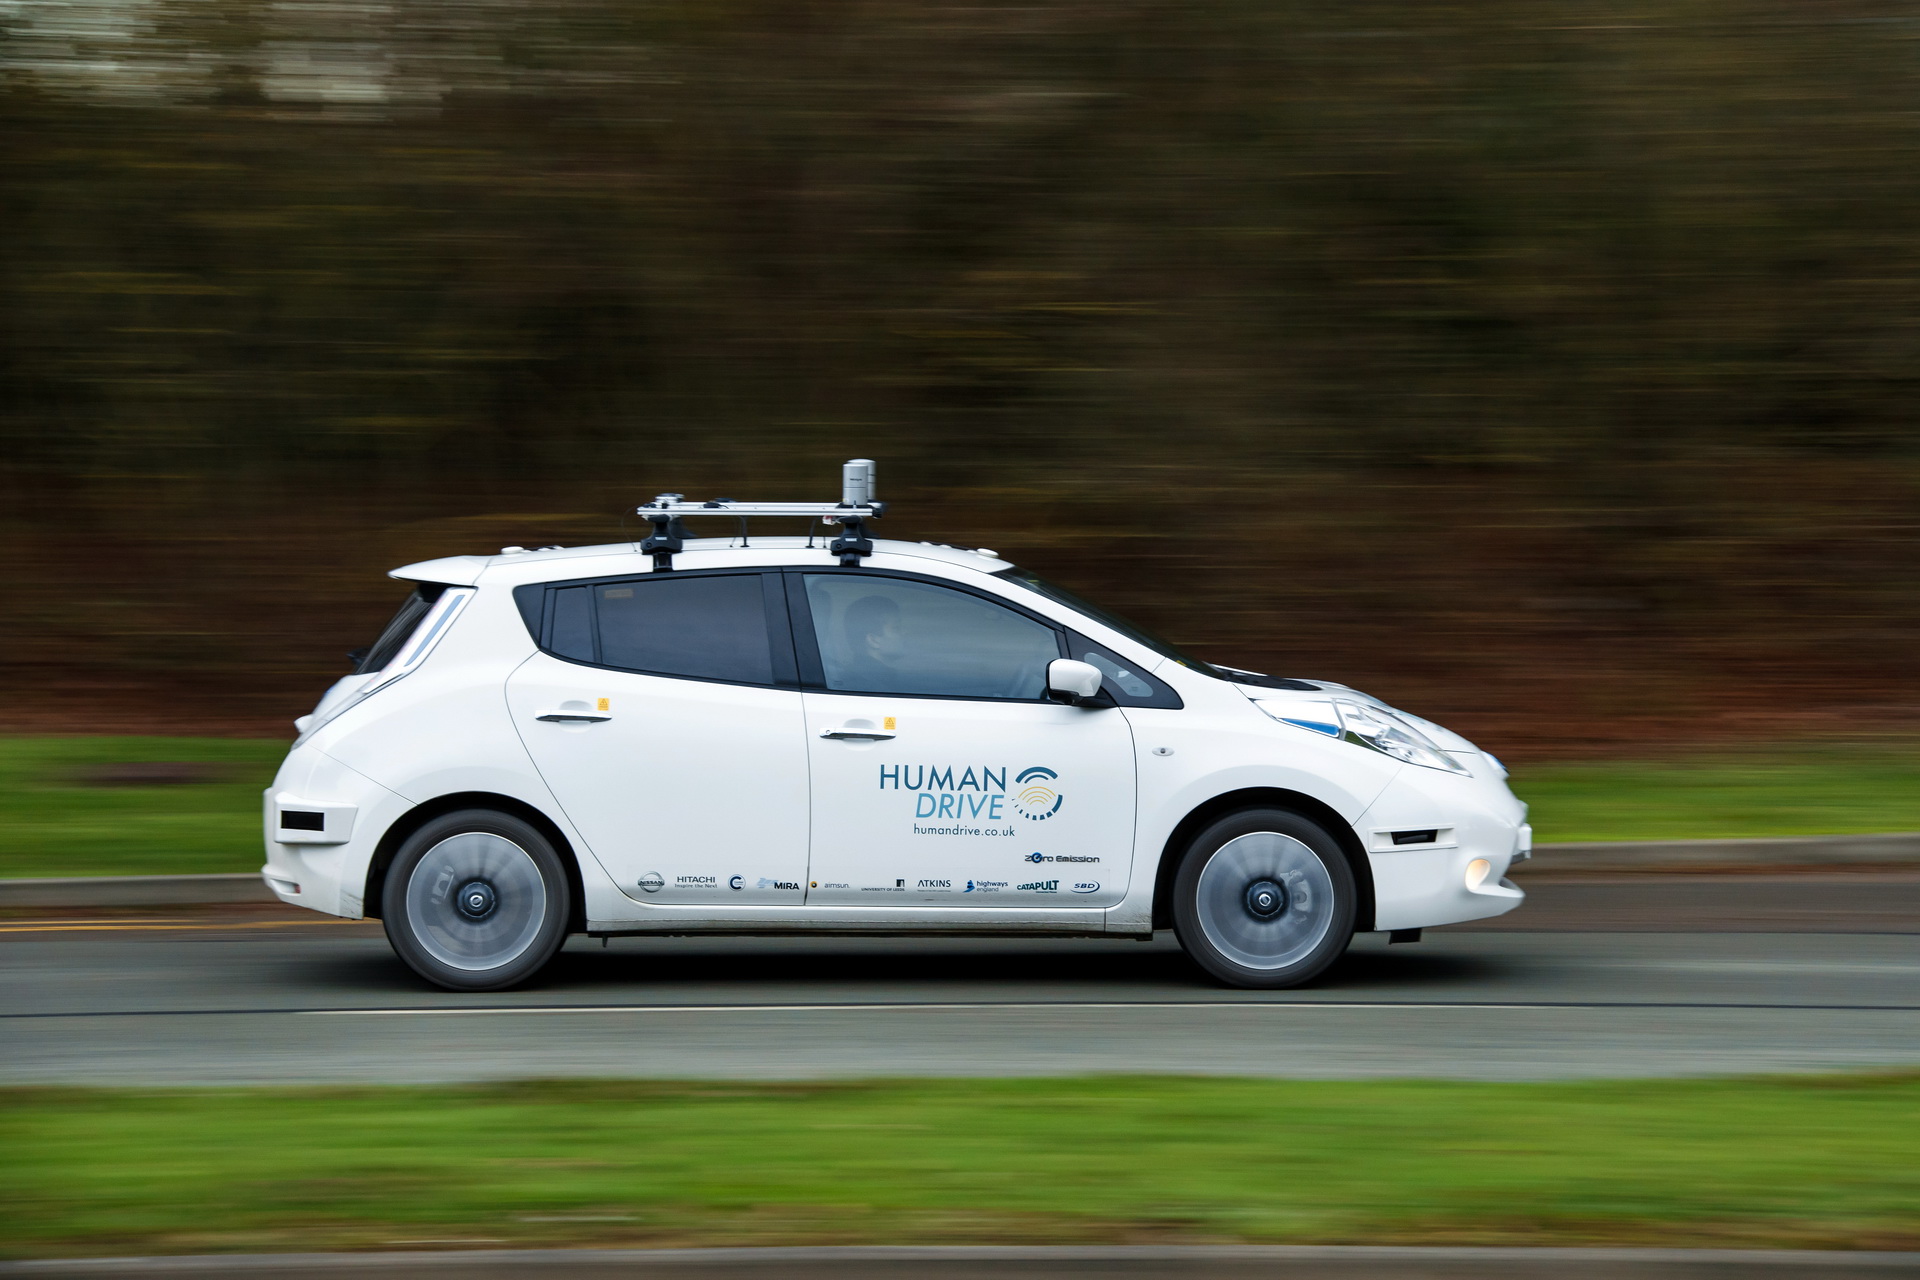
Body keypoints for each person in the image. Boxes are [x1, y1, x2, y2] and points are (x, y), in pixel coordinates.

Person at [834, 593, 909, 691]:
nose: (905, 632)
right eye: (896, 628)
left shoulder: (860, 679)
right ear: (873, 640)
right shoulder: (872, 688)